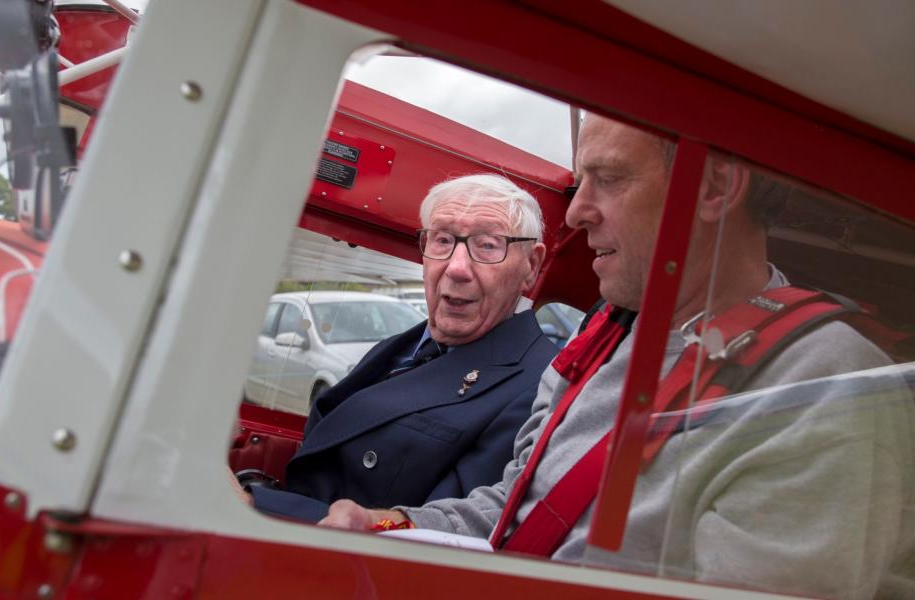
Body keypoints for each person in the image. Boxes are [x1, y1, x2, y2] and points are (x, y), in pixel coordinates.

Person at [319, 115, 915, 599]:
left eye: (609, 178)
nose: (577, 213)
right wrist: (390, 525)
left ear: (715, 187)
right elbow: (509, 515)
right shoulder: (602, 340)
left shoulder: (827, 390)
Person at [247, 173, 559, 522]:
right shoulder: (405, 345)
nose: (456, 268)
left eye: (487, 245)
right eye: (442, 240)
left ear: (530, 266)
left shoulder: (539, 388)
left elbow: (436, 532)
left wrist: (256, 506)